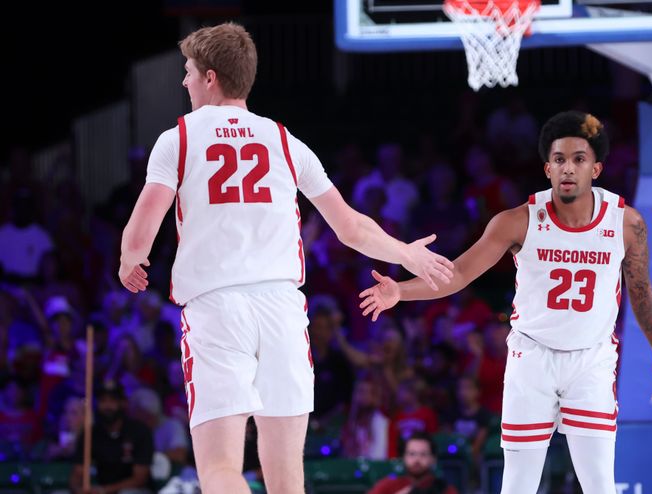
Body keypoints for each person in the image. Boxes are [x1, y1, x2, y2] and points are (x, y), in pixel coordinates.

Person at [117, 22, 453, 494]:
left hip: (217, 309)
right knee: (287, 480)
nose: (184, 81)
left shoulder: (179, 138)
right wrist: (406, 255)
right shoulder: (284, 140)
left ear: (211, 77)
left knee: (219, 471)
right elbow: (351, 226)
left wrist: (129, 261)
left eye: (188, 71)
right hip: (282, 309)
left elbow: (141, 232)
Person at [359, 111, 652, 494]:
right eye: (559, 159)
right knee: (518, 485)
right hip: (533, 357)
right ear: (547, 168)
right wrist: (401, 291)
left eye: (579, 159)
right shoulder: (517, 221)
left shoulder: (627, 223)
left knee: (599, 485)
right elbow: (459, 274)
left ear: (596, 168)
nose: (568, 168)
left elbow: (640, 290)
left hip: (591, 359)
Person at [70, 380, 154, 494]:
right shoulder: (90, 434)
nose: (107, 406)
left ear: (123, 403)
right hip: (101, 490)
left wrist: (104, 490)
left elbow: (139, 479)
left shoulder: (139, 431)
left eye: (112, 401)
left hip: (134, 491)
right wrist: (78, 490)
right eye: (103, 401)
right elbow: (78, 473)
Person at [368, 431, 458, 494]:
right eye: (412, 454)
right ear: (403, 457)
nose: (417, 460)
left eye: (423, 454)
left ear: (433, 459)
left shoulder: (445, 490)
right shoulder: (388, 486)